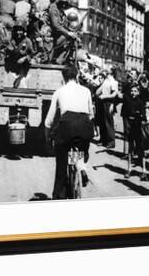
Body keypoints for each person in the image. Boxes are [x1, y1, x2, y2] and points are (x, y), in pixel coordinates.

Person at [45, 64, 95, 200]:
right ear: (77, 75)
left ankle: (57, 195)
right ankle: (81, 168)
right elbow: (91, 114)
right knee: (79, 151)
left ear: (63, 78)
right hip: (85, 126)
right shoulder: (86, 91)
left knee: (61, 162)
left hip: (67, 126)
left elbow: (49, 119)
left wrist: (47, 137)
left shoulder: (59, 92)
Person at [122, 85, 149, 181]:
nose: (133, 93)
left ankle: (144, 171)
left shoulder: (140, 102)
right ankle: (129, 169)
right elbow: (124, 115)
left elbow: (144, 117)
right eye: (131, 91)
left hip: (138, 128)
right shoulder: (127, 102)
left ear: (138, 92)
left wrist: (139, 116)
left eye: (135, 91)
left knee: (141, 150)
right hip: (131, 128)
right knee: (130, 149)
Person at [48, 0, 81, 64]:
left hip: (56, 35)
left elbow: (64, 24)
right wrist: (68, 33)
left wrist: (72, 32)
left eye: (65, 4)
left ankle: (60, 59)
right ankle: (55, 58)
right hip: (51, 35)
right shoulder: (54, 10)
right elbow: (56, 25)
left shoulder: (62, 12)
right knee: (66, 37)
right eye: (62, 3)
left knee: (71, 40)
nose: (63, 5)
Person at [95, 66, 119, 148]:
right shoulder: (105, 80)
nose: (106, 68)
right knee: (102, 122)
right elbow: (99, 90)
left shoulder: (114, 82)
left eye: (108, 68)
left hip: (108, 102)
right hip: (101, 102)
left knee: (108, 122)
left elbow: (114, 94)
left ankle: (111, 141)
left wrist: (105, 96)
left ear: (112, 71)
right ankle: (103, 140)